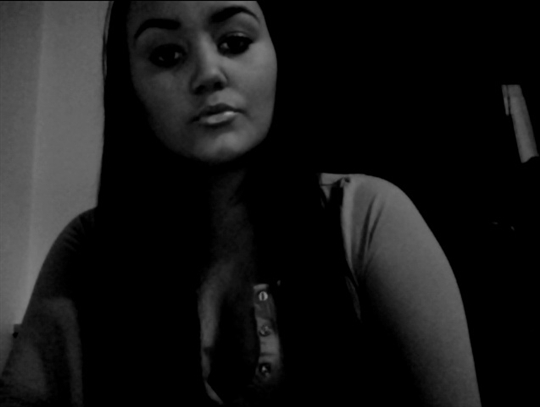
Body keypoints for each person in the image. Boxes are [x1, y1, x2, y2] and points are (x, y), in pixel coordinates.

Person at [0, 2, 482, 406]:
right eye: (167, 54)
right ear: (130, 87)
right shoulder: (89, 249)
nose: (208, 73)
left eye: (234, 42)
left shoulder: (366, 218)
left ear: (277, 55)